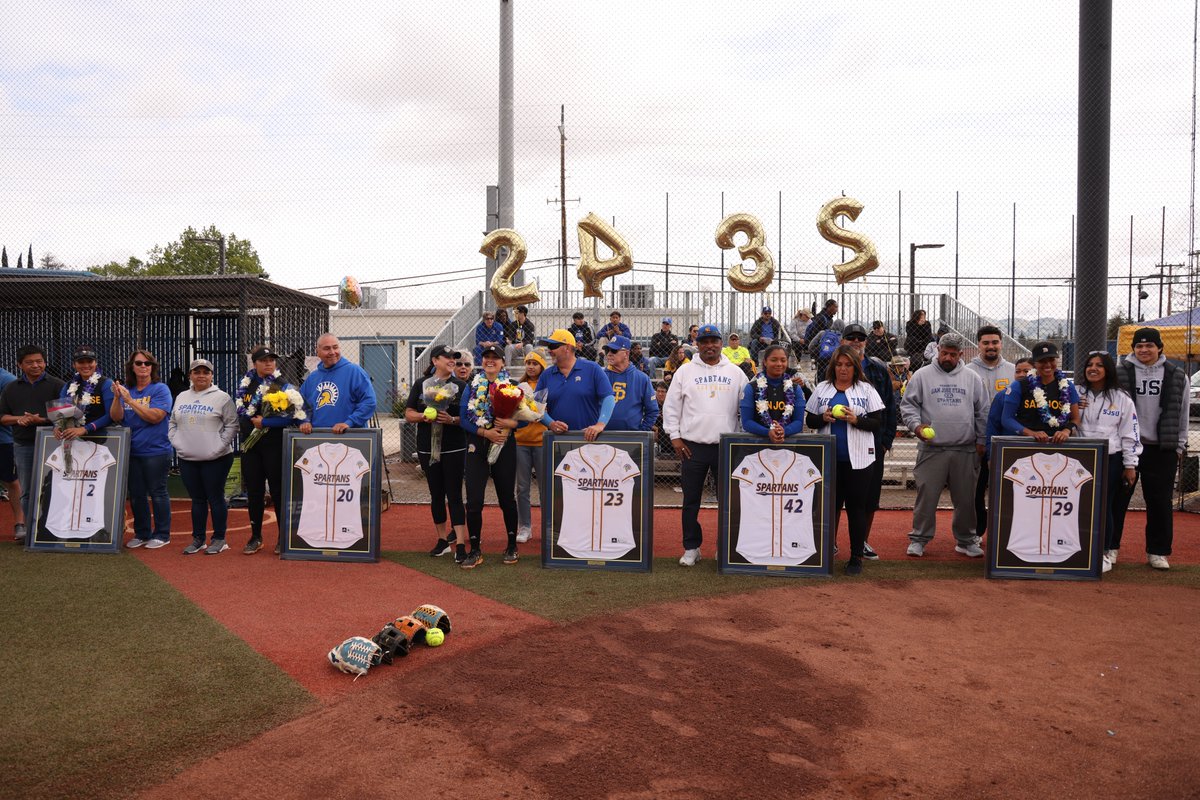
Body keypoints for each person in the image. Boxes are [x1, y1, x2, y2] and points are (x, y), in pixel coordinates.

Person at [662, 324, 748, 566]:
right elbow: (671, 407)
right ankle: (692, 547)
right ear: (697, 344)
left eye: (714, 341)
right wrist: (675, 437)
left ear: (721, 343)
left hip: (726, 445)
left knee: (728, 502)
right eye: (704, 341)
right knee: (691, 500)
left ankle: (724, 547)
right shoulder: (685, 371)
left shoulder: (735, 372)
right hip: (692, 445)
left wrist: (740, 439)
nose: (710, 345)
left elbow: (746, 408)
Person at [900, 333, 991, 558]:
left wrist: (981, 440)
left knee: (966, 499)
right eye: (944, 352)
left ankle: (966, 540)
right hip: (932, 448)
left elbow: (983, 411)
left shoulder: (972, 378)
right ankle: (919, 539)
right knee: (926, 496)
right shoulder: (922, 375)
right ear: (938, 350)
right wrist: (916, 427)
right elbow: (908, 406)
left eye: (952, 354)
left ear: (961, 354)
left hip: (965, 449)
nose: (947, 357)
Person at [805, 345, 886, 574]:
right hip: (828, 460)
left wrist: (856, 420)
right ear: (833, 366)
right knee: (828, 508)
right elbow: (810, 420)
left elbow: (877, 423)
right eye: (839, 364)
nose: (843, 369)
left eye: (848, 364)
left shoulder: (866, 390)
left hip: (859, 460)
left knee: (856, 508)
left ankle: (856, 557)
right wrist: (823, 417)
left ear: (855, 367)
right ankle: (824, 552)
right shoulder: (822, 388)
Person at [1113, 327, 1188, 570]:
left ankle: (1158, 551)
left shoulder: (1177, 375)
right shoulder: (1119, 372)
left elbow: (1183, 412)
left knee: (1159, 502)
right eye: (1139, 346)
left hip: (1161, 447)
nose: (1144, 350)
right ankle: (1110, 547)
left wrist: (1179, 445)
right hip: (1127, 447)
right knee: (1117, 500)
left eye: (1149, 346)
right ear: (1133, 348)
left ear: (1160, 348)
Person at [1076, 351, 1141, 573]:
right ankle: (1077, 549)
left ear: (1108, 370)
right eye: (1089, 364)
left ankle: (1103, 552)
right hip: (1079, 457)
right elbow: (1064, 422)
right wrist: (1074, 410)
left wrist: (1130, 465)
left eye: (1099, 365)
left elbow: (1130, 433)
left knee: (1104, 505)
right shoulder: (1075, 393)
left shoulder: (1121, 398)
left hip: (1110, 458)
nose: (1093, 369)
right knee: (1078, 504)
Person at [459, 344, 522, 568]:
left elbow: (524, 418)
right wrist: (485, 432)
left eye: (495, 358)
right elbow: (464, 418)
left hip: (505, 445)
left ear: (503, 363)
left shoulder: (513, 386)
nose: (490, 361)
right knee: (474, 500)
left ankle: (512, 545)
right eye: (487, 357)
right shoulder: (472, 386)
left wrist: (510, 423)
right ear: (482, 361)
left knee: (507, 498)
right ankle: (475, 549)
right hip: (478, 445)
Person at [404, 344, 468, 560]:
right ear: (434, 361)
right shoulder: (421, 384)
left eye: (454, 358)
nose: (452, 361)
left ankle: (460, 543)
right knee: (436, 494)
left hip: (454, 446)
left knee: (455, 494)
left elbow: (468, 418)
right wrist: (424, 416)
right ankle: (442, 540)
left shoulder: (460, 385)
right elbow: (409, 413)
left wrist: (451, 420)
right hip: (427, 447)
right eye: (448, 357)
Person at [169, 358, 238, 555]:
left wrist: (218, 446)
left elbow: (232, 425)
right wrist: (176, 442)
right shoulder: (182, 396)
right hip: (188, 458)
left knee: (215, 498)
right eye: (196, 372)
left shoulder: (222, 398)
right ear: (190, 375)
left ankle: (219, 539)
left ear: (211, 375)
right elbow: (172, 422)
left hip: (216, 458)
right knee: (197, 500)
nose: (201, 375)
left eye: (205, 372)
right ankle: (198, 539)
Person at [238, 346, 304, 555]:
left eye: (272, 360)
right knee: (254, 492)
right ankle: (255, 536)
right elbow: (241, 410)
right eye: (263, 360)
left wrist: (266, 422)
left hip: (274, 445)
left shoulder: (282, 386)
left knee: (278, 491)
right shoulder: (244, 385)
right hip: (250, 446)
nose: (269, 363)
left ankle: (283, 537)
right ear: (254, 363)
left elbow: (295, 416)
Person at [841, 324, 897, 559]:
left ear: (866, 342)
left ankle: (862, 542)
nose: (856, 341)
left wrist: (886, 440)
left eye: (860, 338)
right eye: (850, 337)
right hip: (840, 443)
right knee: (834, 499)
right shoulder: (832, 368)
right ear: (842, 341)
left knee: (869, 498)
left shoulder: (878, 369)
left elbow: (889, 408)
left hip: (871, 443)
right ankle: (831, 542)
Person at [110, 349, 173, 549]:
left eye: (147, 363)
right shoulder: (128, 390)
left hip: (156, 450)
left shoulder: (160, 389)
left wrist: (129, 401)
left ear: (153, 367)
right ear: (132, 367)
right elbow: (116, 417)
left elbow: (155, 417)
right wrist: (117, 397)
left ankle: (162, 534)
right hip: (132, 450)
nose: (143, 367)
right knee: (136, 494)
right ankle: (142, 532)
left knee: (158, 492)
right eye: (139, 363)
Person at [0, 346, 65, 534]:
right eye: (30, 362)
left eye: (39, 361)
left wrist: (42, 420)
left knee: (56, 488)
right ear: (20, 365)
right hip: (23, 445)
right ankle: (33, 531)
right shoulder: (12, 388)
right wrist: (19, 419)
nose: (36, 365)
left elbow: (67, 416)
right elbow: (2, 416)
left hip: (54, 444)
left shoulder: (58, 385)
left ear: (45, 362)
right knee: (27, 491)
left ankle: (56, 530)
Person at [966, 325, 1018, 543]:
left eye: (995, 342)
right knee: (976, 491)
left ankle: (1007, 533)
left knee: (1009, 490)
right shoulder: (968, 370)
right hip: (976, 441)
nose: (991, 346)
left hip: (1006, 441)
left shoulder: (1014, 370)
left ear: (1001, 343)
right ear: (978, 345)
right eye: (986, 342)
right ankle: (976, 533)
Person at [981, 357, 1034, 538]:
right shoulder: (1003, 395)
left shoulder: (1048, 396)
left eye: (1026, 371)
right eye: (1018, 371)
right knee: (1006, 500)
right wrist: (990, 454)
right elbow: (993, 426)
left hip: (1035, 458)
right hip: (1008, 457)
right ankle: (1002, 539)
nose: (1021, 375)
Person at [535, 329, 615, 440]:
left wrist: (600, 425)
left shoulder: (592, 369)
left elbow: (608, 398)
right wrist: (551, 423)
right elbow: (537, 406)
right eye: (548, 347)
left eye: (553, 346)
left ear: (567, 348)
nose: (549, 350)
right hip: (558, 441)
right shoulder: (546, 375)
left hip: (588, 438)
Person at [998, 342, 1081, 445]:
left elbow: (1076, 419)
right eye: (1042, 361)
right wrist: (1031, 433)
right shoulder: (1019, 386)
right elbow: (1006, 419)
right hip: (1027, 443)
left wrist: (1066, 431)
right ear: (1035, 364)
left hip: (1058, 443)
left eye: (1051, 359)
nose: (1048, 364)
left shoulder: (1067, 386)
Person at [298, 334, 377, 434]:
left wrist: (349, 422)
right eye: (327, 348)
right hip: (318, 437)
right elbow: (300, 404)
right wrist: (304, 421)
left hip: (349, 436)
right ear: (317, 352)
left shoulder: (355, 372)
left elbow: (369, 402)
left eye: (335, 347)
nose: (332, 352)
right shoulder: (312, 378)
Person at [513, 349, 548, 544]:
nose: (531, 367)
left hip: (542, 442)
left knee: (545, 488)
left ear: (542, 365)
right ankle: (525, 526)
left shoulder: (548, 384)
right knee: (522, 487)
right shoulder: (519, 386)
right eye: (528, 363)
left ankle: (547, 525)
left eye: (535, 363)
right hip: (521, 442)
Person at [740, 343, 808, 443]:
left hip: (787, 445)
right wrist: (768, 432)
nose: (779, 364)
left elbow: (798, 422)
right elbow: (747, 422)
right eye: (773, 360)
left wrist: (784, 431)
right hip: (757, 446)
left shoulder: (795, 389)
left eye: (783, 360)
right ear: (765, 362)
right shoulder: (751, 387)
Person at [57, 346, 116, 439]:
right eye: (81, 362)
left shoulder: (106, 384)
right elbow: (60, 412)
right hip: (74, 438)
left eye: (89, 361)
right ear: (74, 365)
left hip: (102, 438)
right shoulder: (69, 386)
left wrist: (85, 429)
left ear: (96, 363)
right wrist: (57, 426)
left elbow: (111, 415)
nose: (86, 365)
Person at [604, 336, 659, 433]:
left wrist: (641, 432)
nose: (609, 354)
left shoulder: (642, 378)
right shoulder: (600, 376)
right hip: (601, 436)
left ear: (626, 353)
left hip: (631, 437)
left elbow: (652, 410)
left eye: (614, 350)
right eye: (607, 350)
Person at [0, 365, 22, 540]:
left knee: (11, 481)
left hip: (3, 440)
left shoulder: (7, 379)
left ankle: (20, 524)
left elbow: (16, 411)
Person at [808, 299, 844, 378]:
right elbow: (814, 333)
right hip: (832, 358)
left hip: (822, 357)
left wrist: (816, 353)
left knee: (821, 376)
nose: (837, 310)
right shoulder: (822, 318)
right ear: (830, 307)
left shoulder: (825, 320)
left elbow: (812, 344)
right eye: (836, 307)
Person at [651, 382, 673, 456]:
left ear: (667, 393)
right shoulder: (652, 404)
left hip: (667, 427)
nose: (660, 394)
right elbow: (644, 419)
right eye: (658, 391)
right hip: (654, 428)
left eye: (663, 392)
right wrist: (656, 428)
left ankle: (668, 454)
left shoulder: (671, 404)